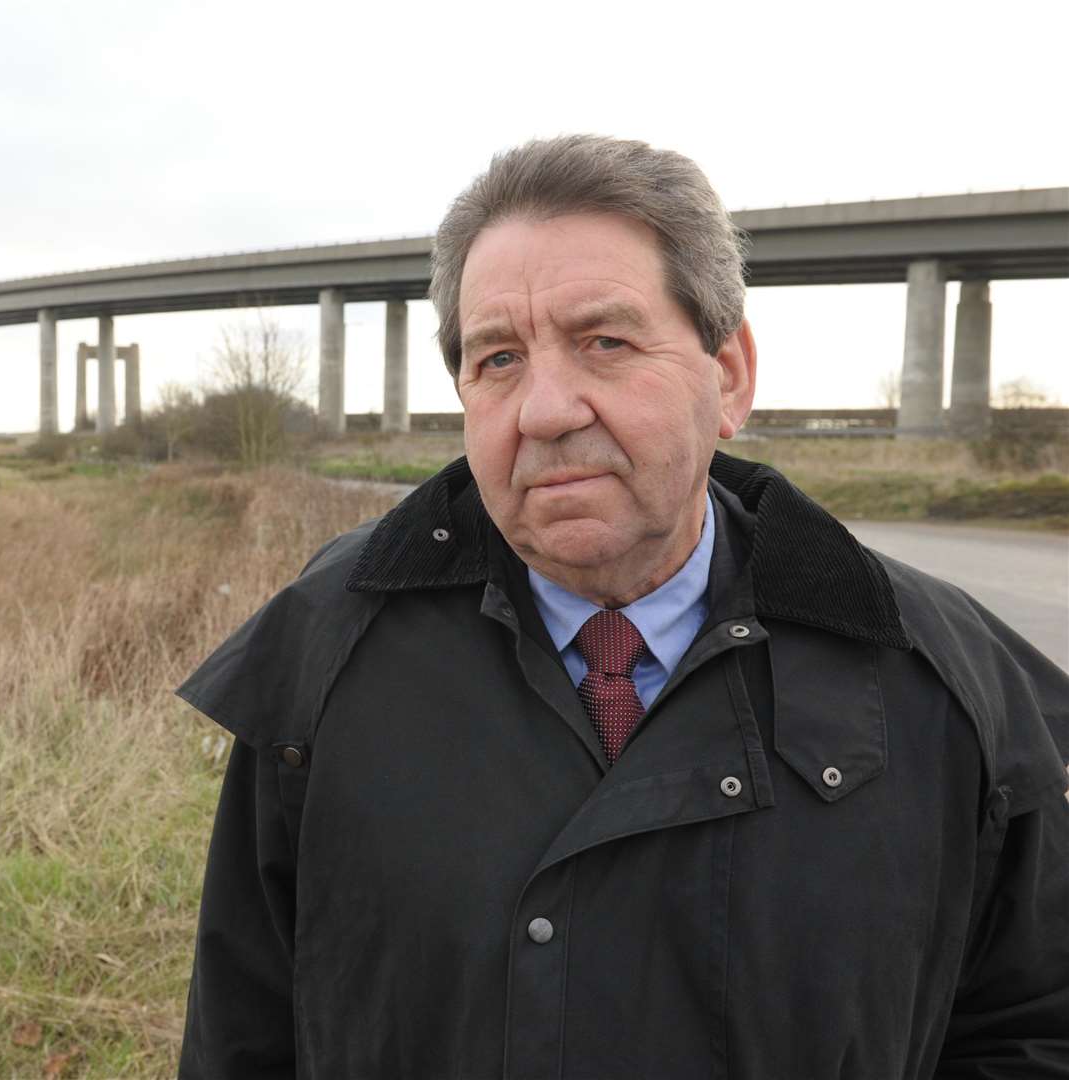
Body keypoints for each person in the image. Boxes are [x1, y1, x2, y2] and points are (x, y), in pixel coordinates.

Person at [174, 135, 1069, 1078]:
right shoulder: (324, 650)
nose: (546, 409)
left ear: (728, 376)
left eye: (604, 342)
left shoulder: (944, 677)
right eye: (499, 359)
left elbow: (1033, 1028)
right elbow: (242, 1031)